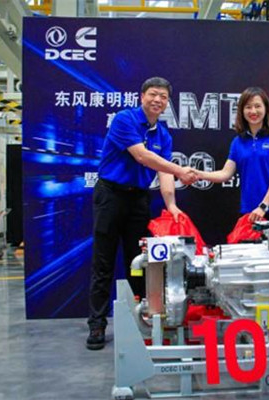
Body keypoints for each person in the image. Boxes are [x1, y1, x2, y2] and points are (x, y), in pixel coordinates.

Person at [87, 77, 197, 350]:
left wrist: (171, 205)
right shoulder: (124, 119)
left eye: (163, 97)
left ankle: (142, 319)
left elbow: (163, 171)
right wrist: (180, 170)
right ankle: (97, 324)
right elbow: (142, 156)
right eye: (153, 94)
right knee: (103, 262)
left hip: (138, 199)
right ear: (142, 96)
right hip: (110, 195)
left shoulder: (164, 135)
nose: (158, 100)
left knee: (138, 263)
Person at [195, 87, 269, 223]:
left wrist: (263, 206)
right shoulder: (238, 142)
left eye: (257, 106)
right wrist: (198, 174)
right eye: (248, 107)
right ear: (242, 111)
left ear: (266, 108)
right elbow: (225, 174)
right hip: (249, 212)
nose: (253, 111)